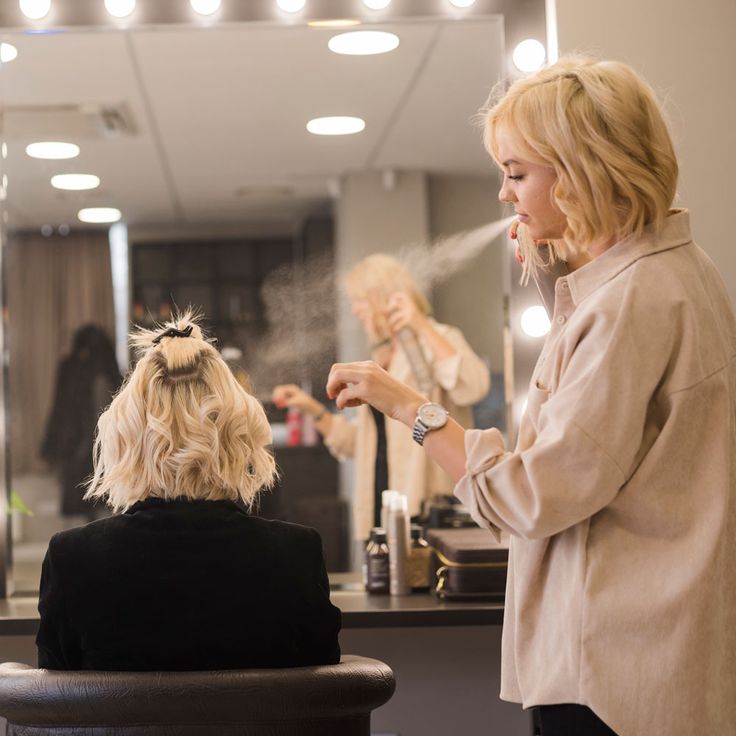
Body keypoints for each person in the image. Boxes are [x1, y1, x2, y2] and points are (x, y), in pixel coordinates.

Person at [325, 56, 736, 736]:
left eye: (516, 174)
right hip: (651, 661)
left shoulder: (628, 304)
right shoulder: (676, 273)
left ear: (581, 172)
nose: (502, 195)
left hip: (612, 673)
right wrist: (552, 265)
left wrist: (410, 409)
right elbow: (597, 410)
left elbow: (529, 497)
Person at [36, 313, 341, 671]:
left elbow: (54, 704)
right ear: (239, 433)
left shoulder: (73, 560)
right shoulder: (295, 557)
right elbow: (324, 701)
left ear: (126, 437)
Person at [273, 253, 490, 541]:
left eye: (359, 300)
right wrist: (308, 406)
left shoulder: (436, 338)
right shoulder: (383, 359)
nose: (355, 310)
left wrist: (421, 326)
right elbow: (359, 444)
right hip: (382, 512)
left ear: (380, 297)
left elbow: (474, 386)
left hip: (426, 511)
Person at [41, 324, 122, 516]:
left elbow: (60, 407)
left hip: (90, 439)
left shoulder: (91, 367)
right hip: (83, 439)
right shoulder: (82, 368)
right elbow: (61, 405)